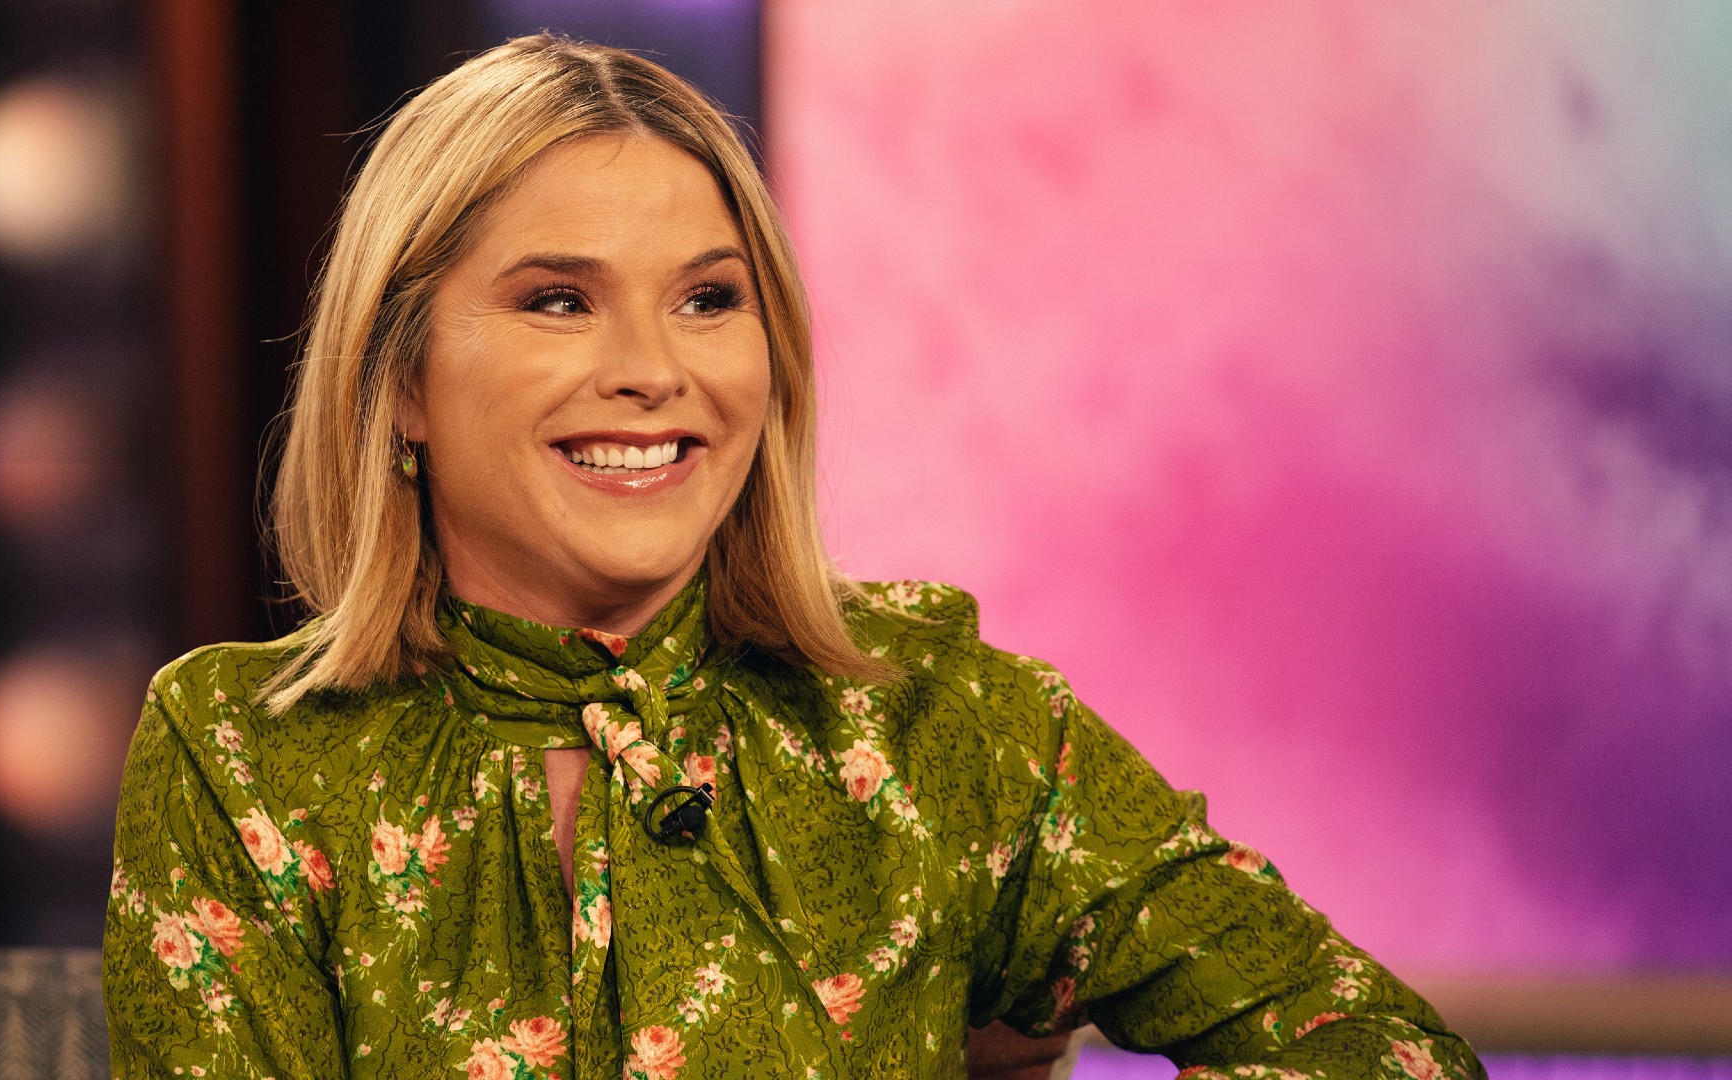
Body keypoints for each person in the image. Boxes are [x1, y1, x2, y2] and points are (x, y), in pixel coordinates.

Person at [103, 34, 1486, 1080]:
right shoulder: (241, 757)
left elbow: (1382, 1051)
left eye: (711, 300)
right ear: (398, 378)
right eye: (559, 301)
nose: (652, 371)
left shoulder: (945, 725)